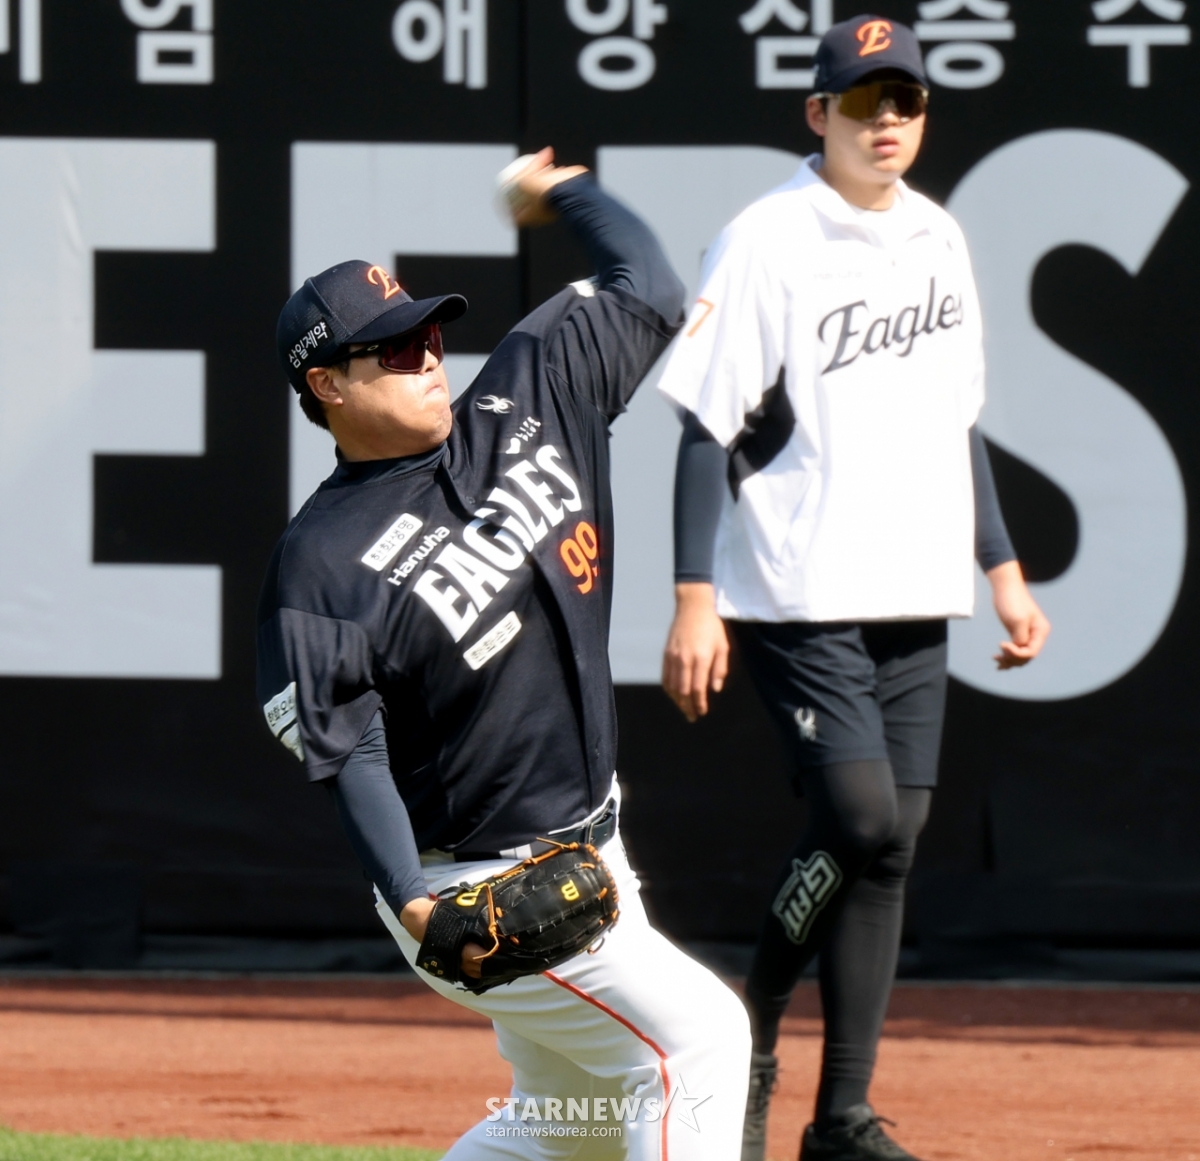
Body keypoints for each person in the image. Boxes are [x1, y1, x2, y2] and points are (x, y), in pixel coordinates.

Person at [257, 149, 751, 1161]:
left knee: (572, 1127)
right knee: (698, 1043)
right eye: (395, 350)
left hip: (591, 849)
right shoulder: (319, 565)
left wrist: (562, 192)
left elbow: (649, 287)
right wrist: (415, 902)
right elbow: (350, 751)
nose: (428, 357)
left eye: (429, 335)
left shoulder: (530, 393)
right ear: (327, 385)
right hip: (474, 886)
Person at [656, 17, 1049, 1161]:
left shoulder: (937, 237)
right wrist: (693, 595)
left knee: (893, 843)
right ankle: (747, 1032)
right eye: (863, 100)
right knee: (863, 818)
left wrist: (1004, 572)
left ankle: (841, 1118)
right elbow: (704, 426)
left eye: (905, 100)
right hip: (798, 585)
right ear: (816, 113)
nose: (887, 120)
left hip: (916, 585)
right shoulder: (766, 237)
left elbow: (956, 423)